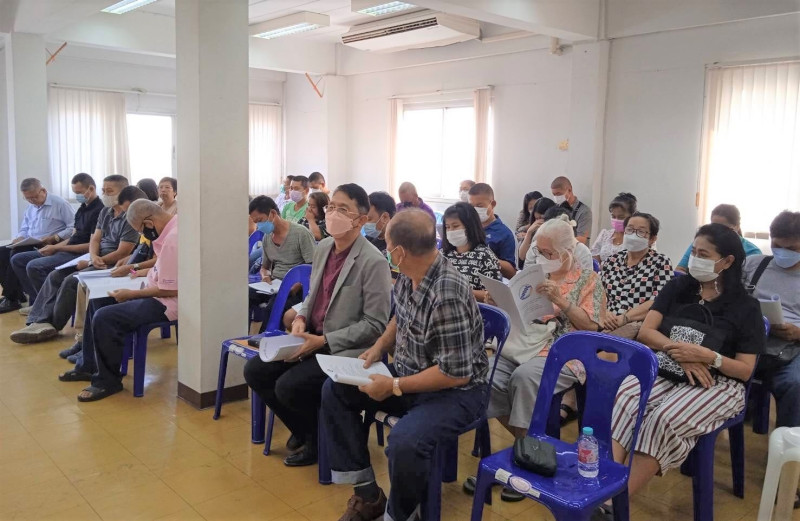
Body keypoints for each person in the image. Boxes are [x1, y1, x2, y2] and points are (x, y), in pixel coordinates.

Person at [322, 209, 488, 521]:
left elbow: (455, 374)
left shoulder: (447, 291)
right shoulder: (410, 275)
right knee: (336, 389)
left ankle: (400, 514)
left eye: (387, 246)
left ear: (399, 251)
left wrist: (394, 385)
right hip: (412, 376)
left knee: (405, 443)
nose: (386, 251)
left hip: (457, 393)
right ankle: (368, 493)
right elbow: (401, 317)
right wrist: (378, 347)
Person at [601, 223, 764, 519]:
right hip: (668, 366)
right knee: (626, 398)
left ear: (727, 261)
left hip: (718, 382)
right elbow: (647, 332)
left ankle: (614, 503)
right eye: (694, 251)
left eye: (704, 254)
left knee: (664, 417)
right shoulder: (678, 288)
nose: (694, 259)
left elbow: (744, 370)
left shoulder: (746, 307)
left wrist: (709, 357)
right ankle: (604, 488)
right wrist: (681, 352)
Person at [244, 183, 392, 467]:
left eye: (343, 209)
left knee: (289, 386)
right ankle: (307, 430)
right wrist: (301, 317)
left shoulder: (373, 261)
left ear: (361, 219)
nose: (334, 213)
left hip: (344, 348)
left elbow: (375, 325)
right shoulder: (324, 247)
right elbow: (313, 295)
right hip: (310, 337)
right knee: (256, 371)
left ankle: (316, 442)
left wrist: (324, 341)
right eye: (331, 207)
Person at [463, 217, 604, 501]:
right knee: (484, 375)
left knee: (524, 378)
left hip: (565, 352)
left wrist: (562, 301)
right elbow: (516, 310)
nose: (542, 257)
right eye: (540, 251)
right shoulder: (532, 275)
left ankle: (523, 466)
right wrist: (498, 301)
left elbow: (592, 326)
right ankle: (528, 452)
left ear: (569, 251)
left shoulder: (589, 280)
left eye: (549, 253)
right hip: (521, 344)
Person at [58, 199, 179, 402]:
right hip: (154, 289)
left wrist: (130, 294)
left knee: (106, 317)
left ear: (149, 222)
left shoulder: (174, 238)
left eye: (141, 231)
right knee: (98, 300)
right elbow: (161, 269)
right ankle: (89, 365)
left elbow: (172, 289)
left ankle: (107, 382)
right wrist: (133, 270)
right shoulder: (169, 228)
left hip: (167, 302)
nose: (143, 236)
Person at [10, 176, 141, 345]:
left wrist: (92, 261)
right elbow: (95, 239)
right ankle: (37, 321)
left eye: (109, 191)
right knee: (55, 275)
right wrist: (93, 256)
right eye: (103, 190)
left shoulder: (130, 216)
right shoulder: (106, 212)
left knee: (71, 281)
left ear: (123, 192)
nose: (104, 194)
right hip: (95, 257)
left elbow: (123, 252)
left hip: (112, 263)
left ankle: (52, 325)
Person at [10, 173, 103, 308]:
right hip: (64, 248)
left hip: (76, 253)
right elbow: (73, 237)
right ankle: (37, 302)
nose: (77, 196)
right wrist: (55, 247)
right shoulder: (82, 209)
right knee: (16, 258)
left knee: (34, 266)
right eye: (75, 193)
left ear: (92, 189)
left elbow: (90, 245)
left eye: (79, 193)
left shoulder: (99, 211)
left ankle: (46, 306)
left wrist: (56, 245)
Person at [745, 211, 800, 428]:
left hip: (792, 346)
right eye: (777, 246)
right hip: (748, 340)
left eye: (792, 249)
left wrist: (797, 333)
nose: (783, 253)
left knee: (794, 383)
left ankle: (787, 443)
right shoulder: (753, 265)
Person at [0, 178, 75, 313]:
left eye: (34, 197)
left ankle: (15, 298)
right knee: (2, 252)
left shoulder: (60, 204)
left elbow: (73, 228)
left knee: (16, 255)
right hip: (31, 242)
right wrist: (20, 237)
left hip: (52, 243)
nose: (31, 201)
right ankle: (16, 295)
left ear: (43, 191)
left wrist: (55, 237)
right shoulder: (31, 207)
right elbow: (25, 228)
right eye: (27, 198)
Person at [600, 212, 672, 339]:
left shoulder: (661, 262)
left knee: (605, 344)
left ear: (652, 239)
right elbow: (597, 292)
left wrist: (625, 318)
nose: (633, 235)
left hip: (637, 325)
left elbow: (658, 301)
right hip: (606, 320)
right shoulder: (611, 261)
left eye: (641, 232)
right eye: (630, 230)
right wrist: (604, 312)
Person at [675, 204, 762, 273]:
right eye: (713, 226)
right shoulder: (700, 244)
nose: (717, 232)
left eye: (723, 229)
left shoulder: (752, 252)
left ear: (736, 226)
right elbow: (680, 269)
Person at [441, 202, 501, 301]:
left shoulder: (485, 257)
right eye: (447, 227)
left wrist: (460, 289)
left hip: (472, 308)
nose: (451, 231)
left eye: (455, 226)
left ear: (470, 227)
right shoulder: (442, 254)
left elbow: (494, 296)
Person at [467, 182, 517, 278]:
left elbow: (512, 273)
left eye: (479, 206)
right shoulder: (466, 227)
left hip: (490, 281)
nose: (475, 210)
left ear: (493, 204)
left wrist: (487, 257)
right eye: (471, 207)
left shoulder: (504, 233)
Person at [523, 209, 594, 272]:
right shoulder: (537, 245)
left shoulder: (582, 252)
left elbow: (586, 280)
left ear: (566, 250)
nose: (542, 256)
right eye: (540, 252)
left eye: (547, 252)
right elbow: (527, 273)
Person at [591, 192, 638, 264]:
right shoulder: (605, 235)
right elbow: (593, 260)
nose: (616, 220)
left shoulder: (639, 238)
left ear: (632, 216)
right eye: (613, 216)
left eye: (621, 217)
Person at [550, 176, 592, 245]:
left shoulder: (584, 212)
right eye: (554, 195)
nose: (556, 197)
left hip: (576, 250)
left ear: (569, 190)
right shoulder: (554, 209)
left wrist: (557, 242)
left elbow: (582, 239)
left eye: (559, 194)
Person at [517, 197, 556, 264]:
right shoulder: (534, 229)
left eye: (542, 218)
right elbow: (521, 257)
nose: (539, 221)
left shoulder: (558, 231)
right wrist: (529, 233)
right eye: (537, 219)